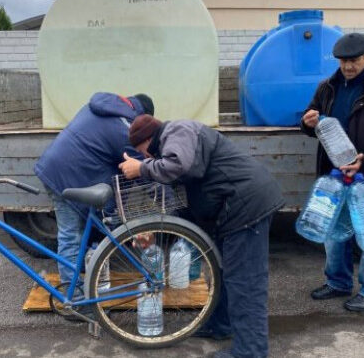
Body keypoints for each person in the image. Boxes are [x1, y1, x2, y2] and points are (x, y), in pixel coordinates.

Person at [120, 115, 284, 358]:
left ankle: (251, 352)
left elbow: (180, 165)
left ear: (146, 140)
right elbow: (184, 206)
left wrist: (141, 169)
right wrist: (155, 231)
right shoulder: (171, 145)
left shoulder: (177, 131)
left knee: (245, 283)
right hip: (228, 210)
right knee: (220, 273)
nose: (144, 157)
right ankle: (220, 325)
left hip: (245, 206)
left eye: (141, 151)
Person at [300, 32, 364, 312]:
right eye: (343, 61)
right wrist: (307, 121)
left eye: (354, 60)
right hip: (333, 178)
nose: (348, 66)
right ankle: (338, 282)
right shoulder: (327, 87)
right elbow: (315, 122)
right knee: (334, 235)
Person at [34, 92, 154, 316]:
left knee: (78, 235)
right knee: (71, 236)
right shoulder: (124, 128)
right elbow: (142, 171)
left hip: (56, 168)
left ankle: (79, 287)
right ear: (142, 116)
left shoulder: (100, 107)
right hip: (66, 177)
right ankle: (77, 303)